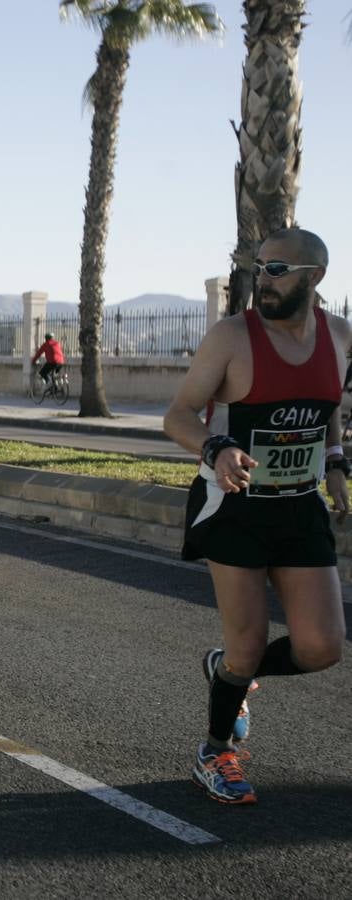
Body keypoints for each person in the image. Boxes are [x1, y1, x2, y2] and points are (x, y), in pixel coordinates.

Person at [163, 227, 349, 805]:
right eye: (258, 267)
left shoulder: (340, 337)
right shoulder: (231, 338)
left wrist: (337, 465)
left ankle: (228, 673)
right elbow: (178, 415)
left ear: (314, 277)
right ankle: (215, 749)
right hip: (236, 508)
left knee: (322, 647)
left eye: (277, 270)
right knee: (248, 641)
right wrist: (215, 449)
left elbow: (330, 415)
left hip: (299, 509)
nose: (262, 280)